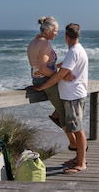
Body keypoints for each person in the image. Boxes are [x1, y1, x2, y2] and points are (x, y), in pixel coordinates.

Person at [34, 23, 88, 174]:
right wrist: (55, 67)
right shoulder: (77, 50)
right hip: (73, 95)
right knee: (73, 127)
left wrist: (43, 86)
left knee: (78, 130)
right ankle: (77, 159)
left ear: (66, 36)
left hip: (73, 96)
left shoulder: (74, 52)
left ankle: (81, 163)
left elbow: (61, 74)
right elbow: (63, 68)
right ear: (78, 35)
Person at [26, 16, 75, 149]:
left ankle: (55, 116)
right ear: (48, 30)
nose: (57, 33)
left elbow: (42, 65)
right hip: (45, 79)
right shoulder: (45, 44)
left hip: (37, 78)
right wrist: (60, 76)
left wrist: (62, 66)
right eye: (55, 30)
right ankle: (74, 143)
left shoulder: (34, 41)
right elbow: (43, 68)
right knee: (63, 110)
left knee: (66, 99)